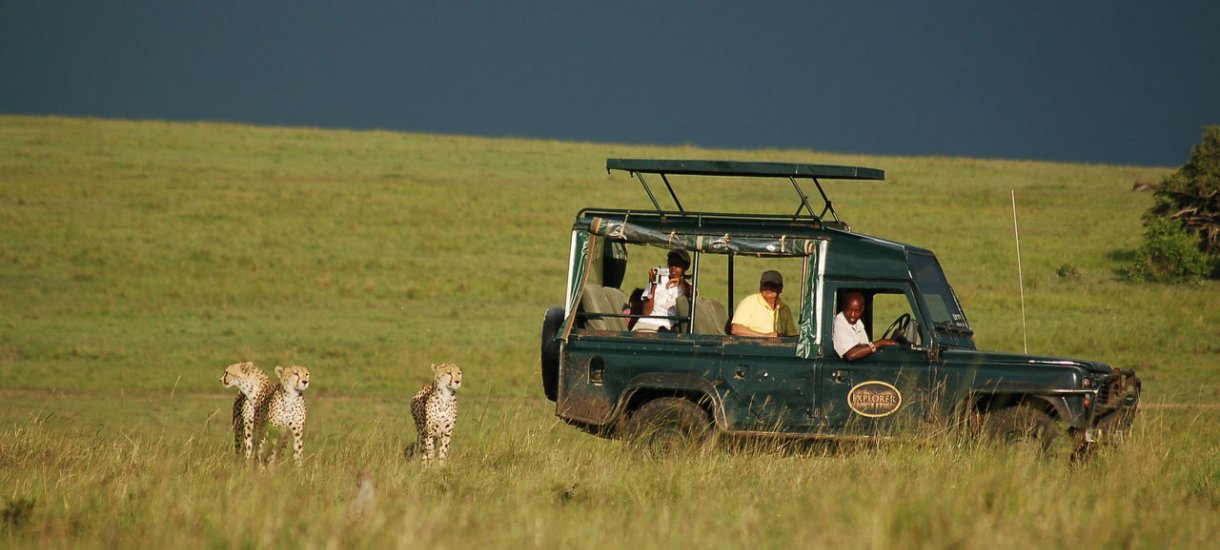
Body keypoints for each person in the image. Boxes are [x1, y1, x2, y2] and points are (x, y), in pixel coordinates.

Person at [632, 249, 692, 333]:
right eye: (671, 264)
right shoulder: (658, 280)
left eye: (677, 265)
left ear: (684, 267)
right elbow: (646, 312)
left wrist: (681, 281)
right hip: (646, 323)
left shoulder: (686, 286)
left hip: (667, 327)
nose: (673, 268)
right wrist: (653, 286)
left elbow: (692, 295)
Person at [730, 270, 797, 338]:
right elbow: (736, 329)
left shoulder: (785, 309)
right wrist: (765, 336)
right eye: (766, 285)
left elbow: (792, 336)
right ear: (760, 286)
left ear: (781, 288)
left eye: (773, 285)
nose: (769, 288)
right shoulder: (749, 302)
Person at [832, 291, 897, 361]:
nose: (852, 315)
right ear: (844, 307)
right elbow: (851, 354)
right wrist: (881, 342)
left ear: (862, 309)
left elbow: (864, 345)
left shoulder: (857, 322)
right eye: (849, 310)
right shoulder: (840, 321)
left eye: (857, 311)